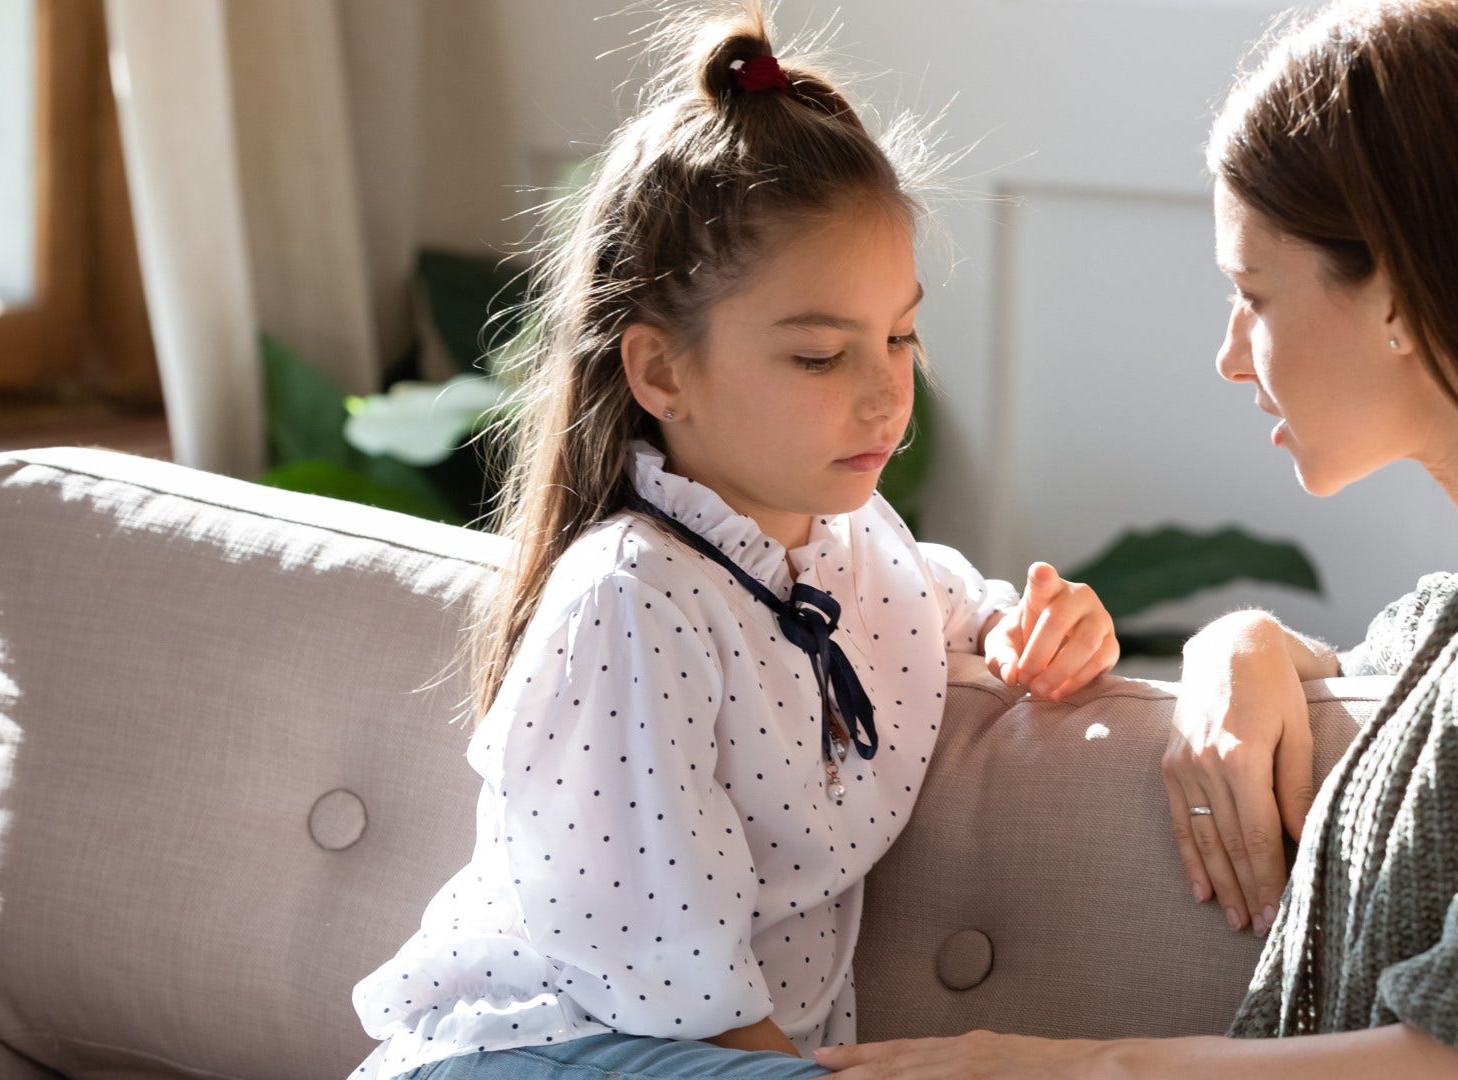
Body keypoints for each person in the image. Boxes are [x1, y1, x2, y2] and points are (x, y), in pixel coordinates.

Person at [813, 0, 1458, 1076]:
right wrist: (1241, 640)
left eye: (1255, 295)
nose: (1231, 358)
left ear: (1399, 291)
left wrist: (1052, 1067)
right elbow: (1392, 685)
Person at [347, 5, 1119, 1079]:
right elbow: (669, 981)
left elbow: (952, 604)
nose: (884, 391)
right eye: (818, 358)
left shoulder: (857, 546)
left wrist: (1044, 624)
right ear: (662, 373)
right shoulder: (631, 600)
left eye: (899, 334)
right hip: (542, 1051)